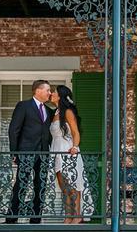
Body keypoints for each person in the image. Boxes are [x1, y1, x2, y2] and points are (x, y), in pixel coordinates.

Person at [7, 79, 54, 224]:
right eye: (48, 90)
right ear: (38, 90)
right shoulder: (23, 106)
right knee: (21, 184)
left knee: (41, 186)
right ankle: (11, 218)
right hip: (26, 152)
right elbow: (13, 130)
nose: (50, 93)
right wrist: (14, 153)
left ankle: (36, 219)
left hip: (43, 153)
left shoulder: (49, 110)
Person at [49, 85, 90, 224]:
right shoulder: (55, 112)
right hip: (56, 151)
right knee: (63, 187)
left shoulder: (67, 112)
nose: (51, 94)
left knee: (73, 185)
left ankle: (77, 216)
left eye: (53, 92)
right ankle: (68, 216)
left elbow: (75, 132)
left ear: (60, 95)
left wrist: (75, 147)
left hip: (67, 150)